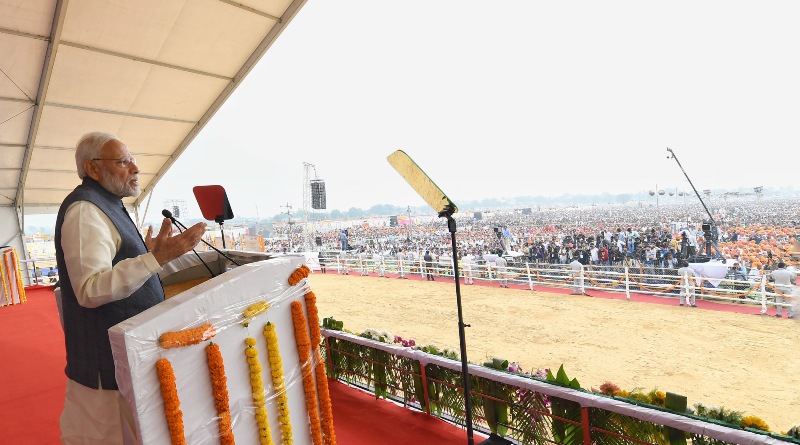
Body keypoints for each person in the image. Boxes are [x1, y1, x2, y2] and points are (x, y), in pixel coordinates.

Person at [56, 132, 206, 444]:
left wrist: (147, 256)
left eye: (133, 159)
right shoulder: (86, 210)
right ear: (93, 169)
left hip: (125, 361)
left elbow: (114, 267)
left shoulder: (106, 204)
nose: (135, 168)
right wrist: (157, 257)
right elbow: (90, 288)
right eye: (123, 161)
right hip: (103, 370)